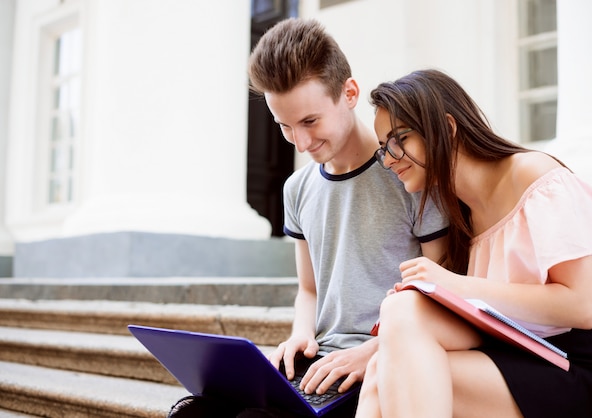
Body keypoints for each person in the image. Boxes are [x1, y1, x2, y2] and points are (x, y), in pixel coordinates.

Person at [167, 20, 449, 418]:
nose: (300, 142)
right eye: (284, 126)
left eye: (310, 121)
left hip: (381, 361)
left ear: (349, 93)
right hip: (319, 365)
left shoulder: (408, 173)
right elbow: (309, 290)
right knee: (193, 412)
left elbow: (441, 291)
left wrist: (373, 351)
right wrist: (301, 334)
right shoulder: (297, 188)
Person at [354, 68, 592, 418]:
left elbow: (581, 307)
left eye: (398, 140)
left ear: (447, 128)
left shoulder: (532, 175)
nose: (389, 159)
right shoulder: (463, 215)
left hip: (590, 361)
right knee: (394, 331)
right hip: (526, 354)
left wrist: (454, 285)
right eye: (383, 149)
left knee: (392, 362)